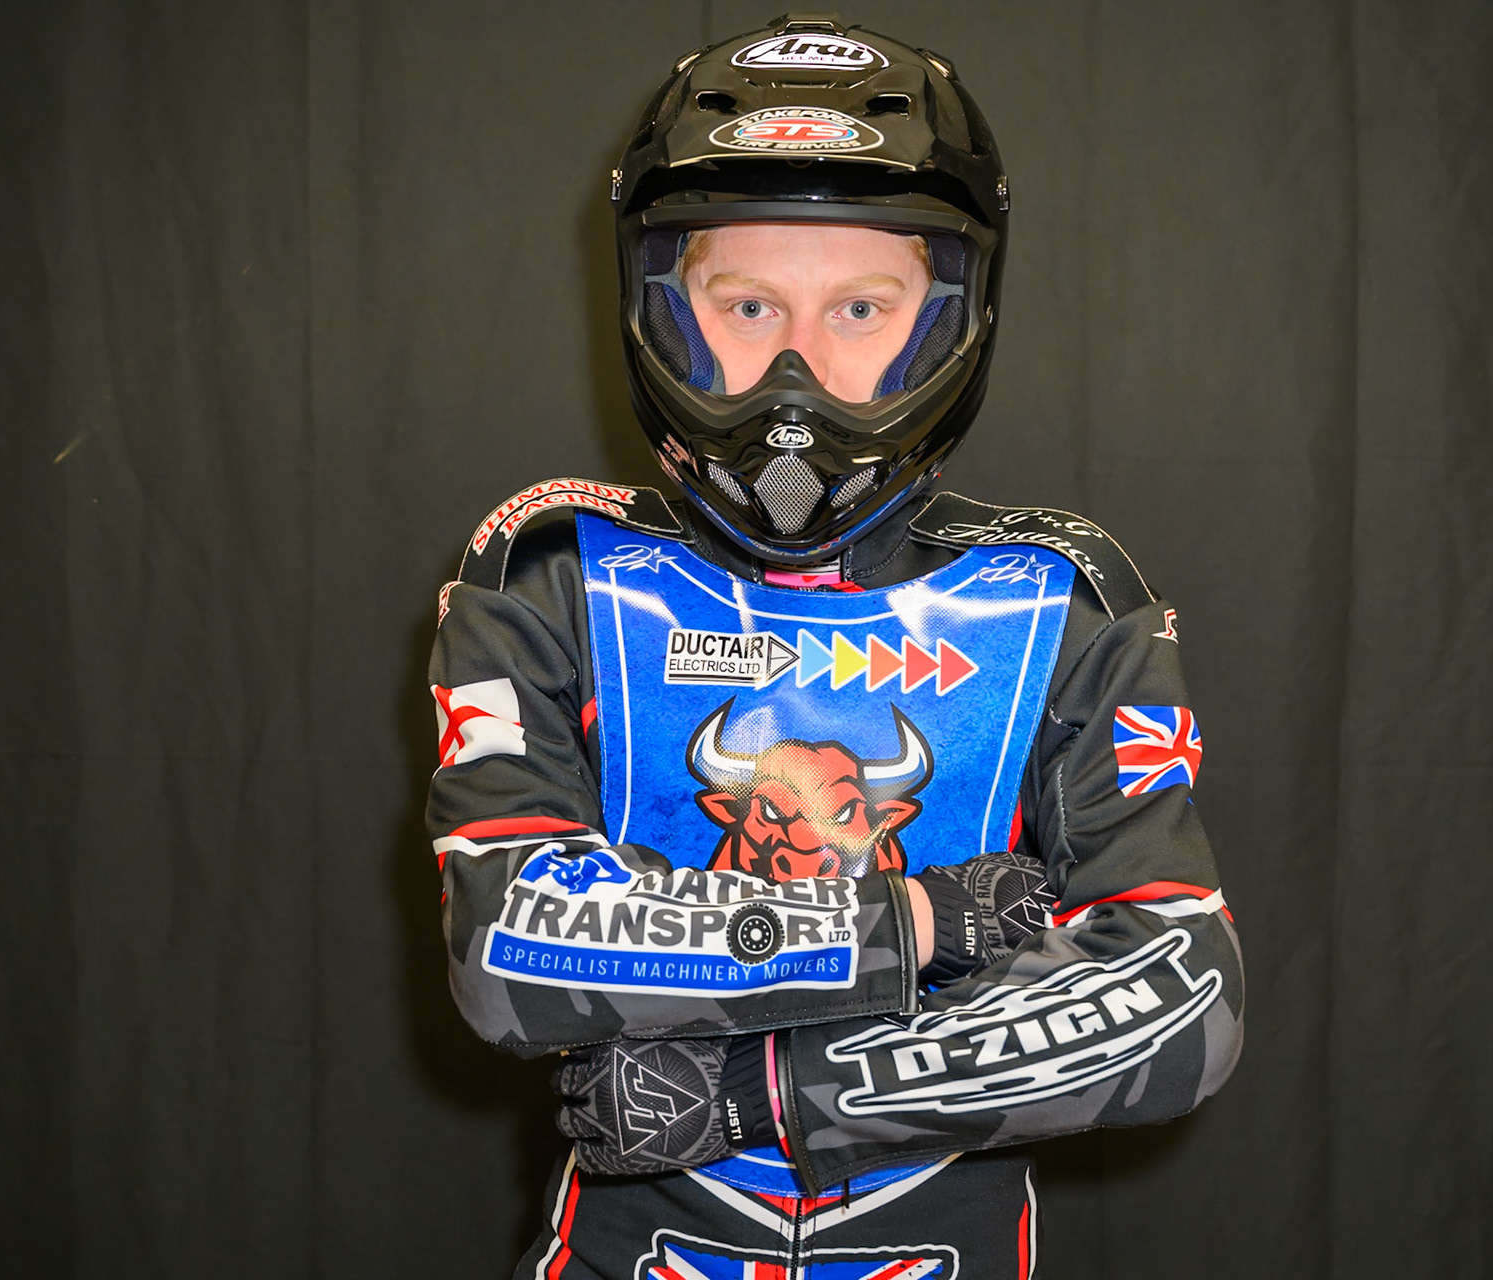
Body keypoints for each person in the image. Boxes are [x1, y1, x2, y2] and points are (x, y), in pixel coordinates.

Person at [426, 14, 1244, 1277]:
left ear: (948, 321)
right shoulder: (552, 570)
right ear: (664, 314)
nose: (795, 373)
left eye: (861, 306)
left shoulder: (1062, 595)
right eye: (747, 303)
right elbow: (506, 948)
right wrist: (916, 919)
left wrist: (763, 1090)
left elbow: (1182, 997)